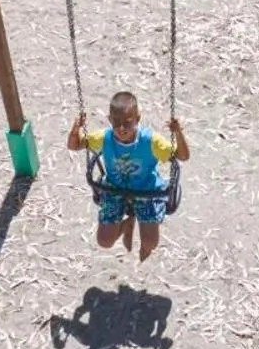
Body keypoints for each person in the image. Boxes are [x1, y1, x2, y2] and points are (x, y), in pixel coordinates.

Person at [67, 92, 190, 261]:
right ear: (110, 119)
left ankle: (139, 225)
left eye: (127, 123)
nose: (121, 128)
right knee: (104, 241)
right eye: (116, 123)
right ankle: (126, 224)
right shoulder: (105, 138)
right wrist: (76, 128)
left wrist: (178, 133)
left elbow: (182, 156)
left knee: (150, 243)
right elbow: (74, 146)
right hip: (114, 189)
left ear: (138, 119)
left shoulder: (150, 141)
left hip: (146, 190)